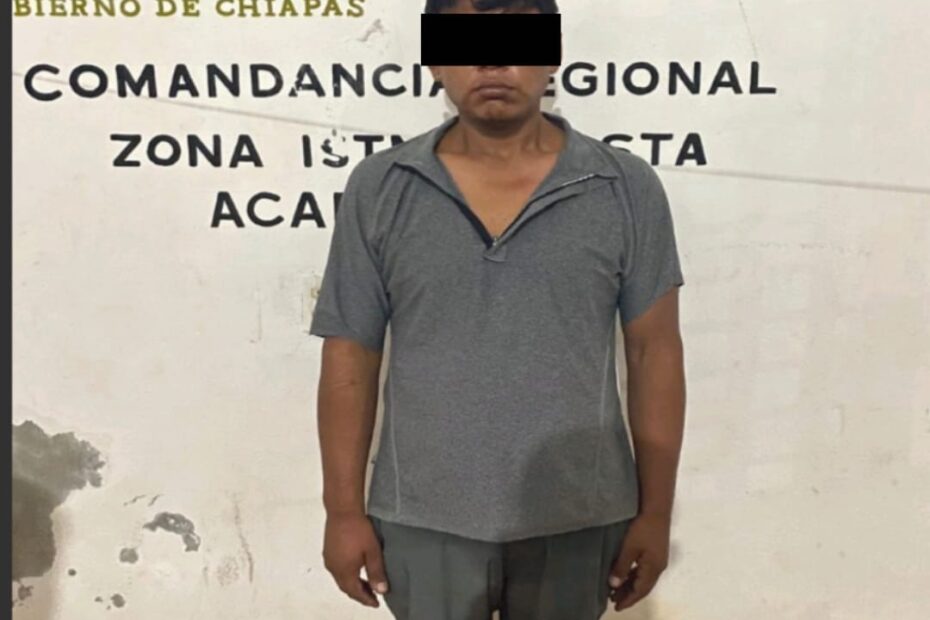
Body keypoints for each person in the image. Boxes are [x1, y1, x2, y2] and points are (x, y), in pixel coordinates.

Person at [308, 1, 686, 618]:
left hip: (580, 517)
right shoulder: (382, 186)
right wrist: (342, 511)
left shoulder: (622, 185)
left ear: (552, 55)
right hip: (422, 518)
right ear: (434, 60)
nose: (491, 61)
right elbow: (349, 356)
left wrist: (656, 513)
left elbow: (654, 353)